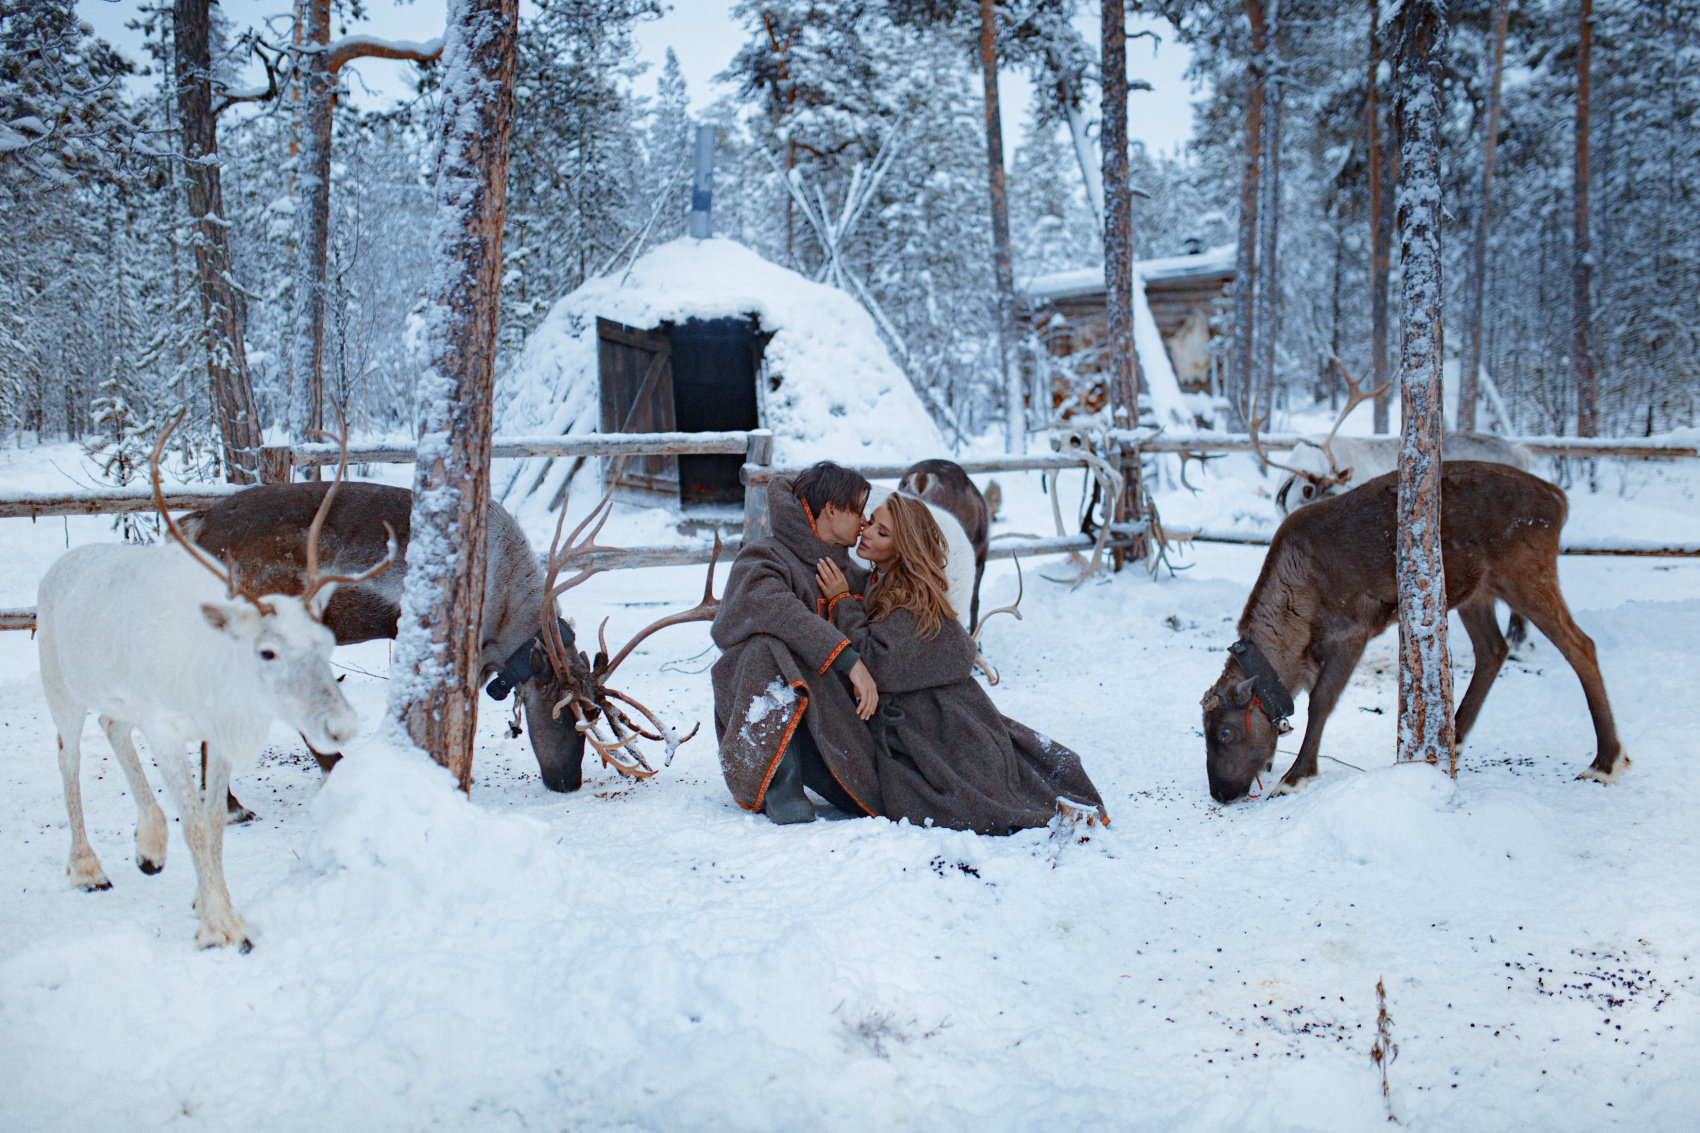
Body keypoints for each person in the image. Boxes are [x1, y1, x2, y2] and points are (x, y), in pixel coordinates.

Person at [815, 493, 1108, 835]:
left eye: (882, 533)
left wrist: (840, 602)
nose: (866, 533)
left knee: (982, 792)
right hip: (932, 713)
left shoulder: (911, 596)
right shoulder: (879, 579)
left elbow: (879, 664)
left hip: (945, 725)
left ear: (903, 549)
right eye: (870, 522)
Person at [711, 462, 884, 824]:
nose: (863, 522)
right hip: (763, 703)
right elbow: (777, 610)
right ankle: (780, 784)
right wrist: (848, 659)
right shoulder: (762, 557)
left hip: (834, 716)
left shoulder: (851, 575)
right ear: (832, 510)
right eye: (856, 510)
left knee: (874, 793)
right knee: (764, 649)